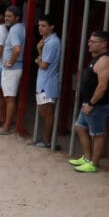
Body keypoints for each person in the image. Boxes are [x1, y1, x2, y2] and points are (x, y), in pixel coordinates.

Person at [69, 30, 109, 173]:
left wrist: (91, 104)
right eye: (89, 41)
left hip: (97, 105)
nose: (89, 43)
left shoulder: (105, 61)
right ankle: (87, 158)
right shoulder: (95, 57)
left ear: (103, 44)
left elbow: (102, 87)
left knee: (98, 134)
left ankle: (94, 164)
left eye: (93, 42)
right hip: (88, 102)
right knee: (79, 127)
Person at [0, 5, 26, 134]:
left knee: (9, 98)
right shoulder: (21, 27)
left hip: (12, 68)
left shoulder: (14, 30)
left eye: (9, 16)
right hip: (15, 67)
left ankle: (6, 126)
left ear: (17, 17)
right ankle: (8, 123)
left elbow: (17, 49)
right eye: (6, 16)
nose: (6, 19)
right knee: (10, 97)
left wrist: (10, 62)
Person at [34, 14, 62, 148]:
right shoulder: (47, 40)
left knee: (47, 113)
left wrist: (38, 52)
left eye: (44, 26)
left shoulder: (52, 42)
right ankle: (47, 139)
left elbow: (44, 64)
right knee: (42, 112)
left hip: (48, 83)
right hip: (44, 82)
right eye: (39, 25)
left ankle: (49, 140)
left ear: (51, 27)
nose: (40, 28)